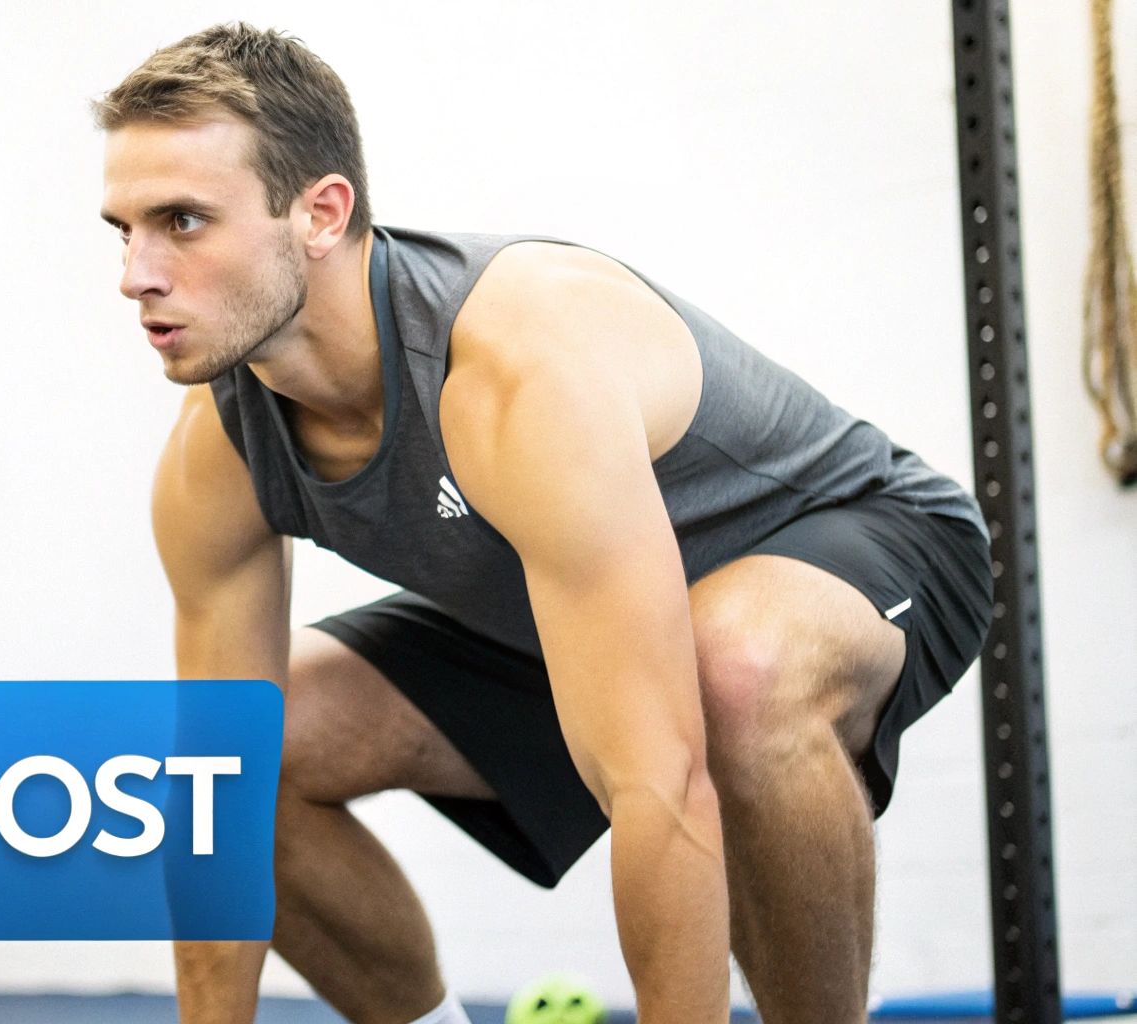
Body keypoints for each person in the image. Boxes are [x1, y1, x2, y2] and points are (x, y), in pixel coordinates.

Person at [93, 22, 993, 1024]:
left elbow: (658, 785)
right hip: (559, 604)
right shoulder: (213, 454)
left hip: (849, 538)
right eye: (121, 229)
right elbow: (219, 796)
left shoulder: (512, 369)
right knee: (250, 752)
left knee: (727, 668)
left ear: (319, 212)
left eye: (180, 222)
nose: (134, 274)